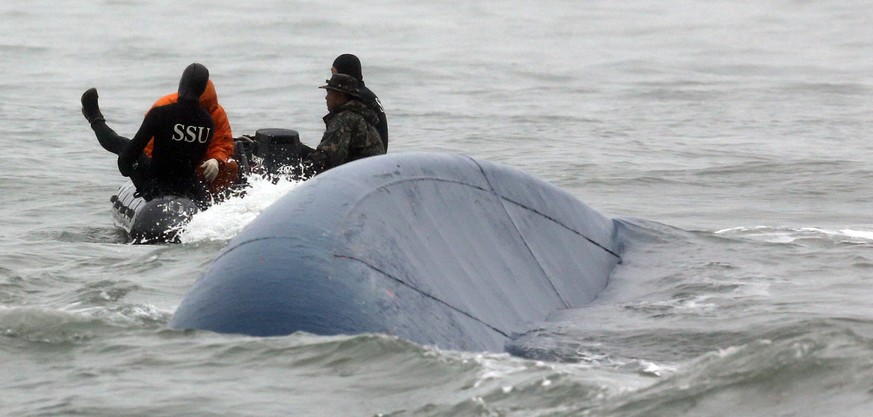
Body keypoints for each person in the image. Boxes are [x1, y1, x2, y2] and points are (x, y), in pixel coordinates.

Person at [81, 63, 215, 201]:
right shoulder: (209, 123)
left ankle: (94, 117)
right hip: (188, 188)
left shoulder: (161, 113)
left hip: (156, 186)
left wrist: (125, 166)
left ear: (181, 84)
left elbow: (132, 152)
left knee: (124, 145)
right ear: (202, 89)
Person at [142, 78, 238, 195]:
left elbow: (222, 143)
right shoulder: (163, 107)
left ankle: (215, 199)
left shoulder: (216, 112)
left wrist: (216, 160)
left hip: (198, 164)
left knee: (230, 166)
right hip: (165, 164)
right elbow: (148, 146)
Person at [302, 73, 385, 176]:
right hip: (372, 175)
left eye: (329, 93)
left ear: (339, 96)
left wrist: (295, 173)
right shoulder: (359, 116)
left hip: (360, 179)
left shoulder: (345, 119)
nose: (326, 98)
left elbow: (327, 160)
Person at [331, 54, 388, 151]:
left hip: (366, 160)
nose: (332, 79)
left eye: (334, 74)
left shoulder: (356, 98)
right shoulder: (367, 94)